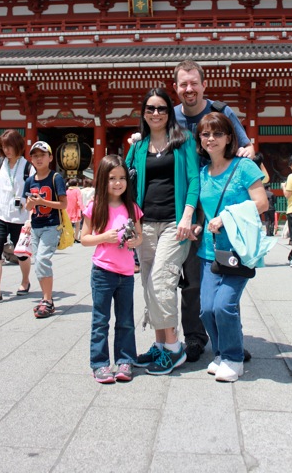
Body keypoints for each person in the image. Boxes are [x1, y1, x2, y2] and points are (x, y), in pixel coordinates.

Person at [173, 59, 255, 362]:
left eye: (194, 82)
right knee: (193, 280)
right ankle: (194, 337)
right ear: (176, 88)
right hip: (185, 210)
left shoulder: (222, 113)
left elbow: (245, 147)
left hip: (218, 211)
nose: (189, 88)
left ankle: (230, 339)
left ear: (203, 85)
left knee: (226, 276)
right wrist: (139, 138)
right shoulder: (170, 118)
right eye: (183, 84)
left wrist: (248, 152)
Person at [126, 88, 199, 375]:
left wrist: (188, 214)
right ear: (143, 113)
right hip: (145, 224)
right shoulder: (138, 147)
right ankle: (158, 345)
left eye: (162, 109)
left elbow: (193, 179)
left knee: (161, 281)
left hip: (174, 223)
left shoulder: (183, 141)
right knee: (148, 283)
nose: (156, 114)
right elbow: (125, 183)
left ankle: (174, 347)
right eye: (150, 109)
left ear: (170, 112)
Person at [196, 113, 268, 382]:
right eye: (205, 134)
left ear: (229, 138)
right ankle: (220, 353)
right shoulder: (203, 173)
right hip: (208, 250)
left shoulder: (245, 167)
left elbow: (262, 203)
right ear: (200, 139)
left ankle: (234, 358)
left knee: (224, 305)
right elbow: (206, 211)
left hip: (239, 250)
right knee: (205, 309)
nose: (211, 139)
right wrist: (198, 225)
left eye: (217, 134)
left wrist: (225, 217)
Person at [81, 154, 143, 384]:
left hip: (126, 273)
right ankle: (99, 363)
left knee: (126, 320)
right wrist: (104, 237)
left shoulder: (132, 207)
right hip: (102, 271)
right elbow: (84, 238)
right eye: (112, 178)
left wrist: (134, 241)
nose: (118, 183)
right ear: (102, 180)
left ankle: (125, 360)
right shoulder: (95, 206)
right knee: (100, 320)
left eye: (122, 178)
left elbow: (139, 236)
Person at [0, 129, 34, 304]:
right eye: (4, 147)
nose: (7, 150)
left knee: (21, 254)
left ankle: (25, 281)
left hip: (20, 216)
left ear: (18, 145)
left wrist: (31, 218)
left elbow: (32, 195)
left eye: (9, 146)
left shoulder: (28, 167)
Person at [23, 141, 67, 318]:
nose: (38, 159)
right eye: (35, 155)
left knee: (42, 260)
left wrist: (42, 202)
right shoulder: (29, 181)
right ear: (31, 159)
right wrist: (31, 205)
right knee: (39, 263)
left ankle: (48, 300)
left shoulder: (56, 178)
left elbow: (64, 204)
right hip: (35, 226)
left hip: (51, 225)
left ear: (50, 157)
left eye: (42, 155)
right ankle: (45, 299)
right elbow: (26, 207)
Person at [66, 178, 83, 242]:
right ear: (77, 184)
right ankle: (75, 237)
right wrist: (83, 209)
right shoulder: (77, 191)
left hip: (67, 209)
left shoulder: (67, 191)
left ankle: (70, 237)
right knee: (77, 224)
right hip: (76, 209)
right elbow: (79, 201)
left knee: (68, 224)